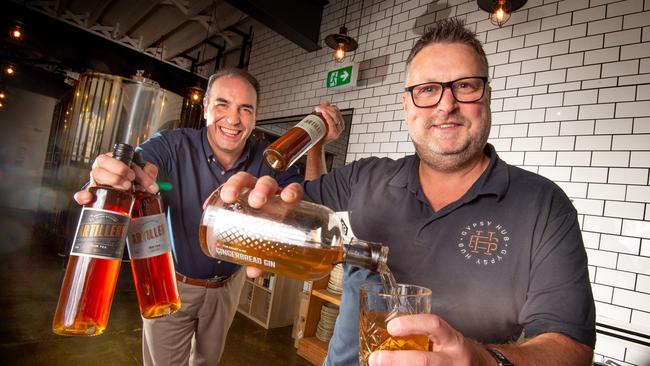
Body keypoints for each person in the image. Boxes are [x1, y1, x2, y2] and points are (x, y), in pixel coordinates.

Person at [220, 18, 596, 366]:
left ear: (487, 97)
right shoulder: (364, 178)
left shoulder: (543, 206)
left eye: (465, 86)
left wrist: (483, 361)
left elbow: (571, 346)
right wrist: (257, 207)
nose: (446, 105)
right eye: (428, 89)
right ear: (407, 104)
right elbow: (292, 206)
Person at [73, 67, 346, 365]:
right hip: (171, 285)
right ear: (205, 108)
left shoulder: (268, 159)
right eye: (222, 104)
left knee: (208, 362)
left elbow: (313, 199)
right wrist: (109, 179)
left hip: (229, 286)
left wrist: (317, 146)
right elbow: (135, 166)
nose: (233, 119)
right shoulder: (173, 145)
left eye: (245, 109)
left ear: (255, 116)